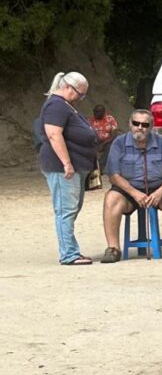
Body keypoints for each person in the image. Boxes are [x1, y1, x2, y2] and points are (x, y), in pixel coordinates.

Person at [101, 109, 162, 263]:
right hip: (128, 191)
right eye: (136, 123)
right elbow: (114, 176)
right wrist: (135, 193)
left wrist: (160, 192)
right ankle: (113, 249)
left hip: (159, 191)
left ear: (151, 126)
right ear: (130, 124)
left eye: (145, 124)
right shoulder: (119, 143)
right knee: (111, 198)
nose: (140, 127)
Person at [39, 71, 98, 265]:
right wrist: (67, 162)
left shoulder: (65, 105)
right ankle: (69, 254)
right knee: (66, 209)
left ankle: (71, 250)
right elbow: (54, 135)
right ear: (67, 87)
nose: (81, 98)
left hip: (75, 166)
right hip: (62, 167)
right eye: (79, 94)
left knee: (72, 208)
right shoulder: (56, 105)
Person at [88, 105, 119, 170]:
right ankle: (90, 165)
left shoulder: (110, 119)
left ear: (103, 112)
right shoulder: (91, 121)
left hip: (108, 141)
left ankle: (100, 167)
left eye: (98, 111)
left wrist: (103, 144)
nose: (95, 113)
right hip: (96, 141)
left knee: (111, 146)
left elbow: (114, 134)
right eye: (94, 111)